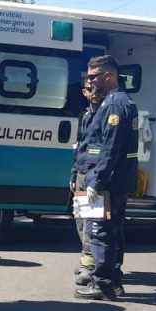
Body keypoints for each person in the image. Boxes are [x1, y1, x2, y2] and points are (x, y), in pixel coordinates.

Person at [74, 55, 139, 301]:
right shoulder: (110, 103)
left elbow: (110, 148)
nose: (90, 82)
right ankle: (113, 281)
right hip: (112, 179)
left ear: (108, 76)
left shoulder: (114, 104)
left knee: (100, 231)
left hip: (108, 182)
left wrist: (96, 181)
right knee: (109, 230)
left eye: (93, 77)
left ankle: (102, 284)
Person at [71, 80, 102, 287]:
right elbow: (80, 146)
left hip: (94, 175)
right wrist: (74, 174)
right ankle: (87, 261)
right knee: (81, 221)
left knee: (92, 223)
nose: (93, 93)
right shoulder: (86, 115)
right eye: (89, 89)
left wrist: (95, 177)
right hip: (82, 172)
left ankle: (90, 268)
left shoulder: (105, 114)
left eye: (96, 89)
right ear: (84, 92)